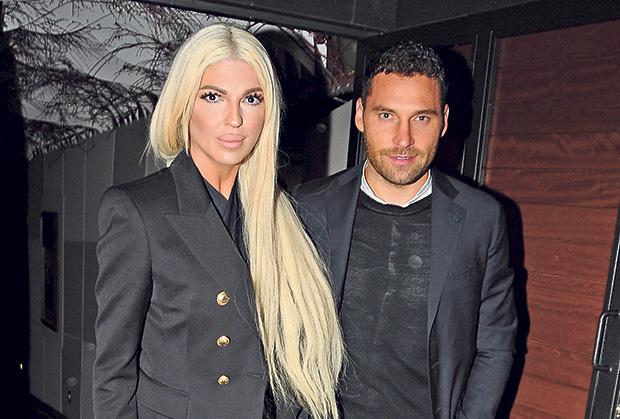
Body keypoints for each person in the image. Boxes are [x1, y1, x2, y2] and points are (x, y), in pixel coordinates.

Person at [93, 23, 344, 419]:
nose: (235, 119)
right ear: (184, 104)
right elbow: (113, 375)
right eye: (213, 96)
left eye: (251, 99)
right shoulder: (137, 211)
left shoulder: (284, 217)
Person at [294, 41, 517, 419]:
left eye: (421, 118)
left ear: (444, 120)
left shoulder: (481, 219)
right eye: (386, 115)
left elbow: (496, 342)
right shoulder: (308, 206)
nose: (403, 139)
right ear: (360, 115)